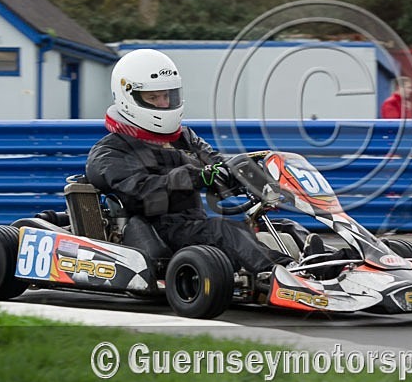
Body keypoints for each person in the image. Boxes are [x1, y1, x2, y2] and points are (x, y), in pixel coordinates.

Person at [85, 48, 294, 274]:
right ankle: (280, 273)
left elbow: (216, 162)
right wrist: (192, 177)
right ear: (128, 98)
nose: (163, 104)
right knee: (224, 230)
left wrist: (251, 175)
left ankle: (314, 266)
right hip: (158, 230)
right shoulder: (110, 151)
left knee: (285, 228)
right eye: (153, 98)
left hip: (194, 226)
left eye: (167, 96)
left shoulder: (184, 137)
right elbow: (141, 191)